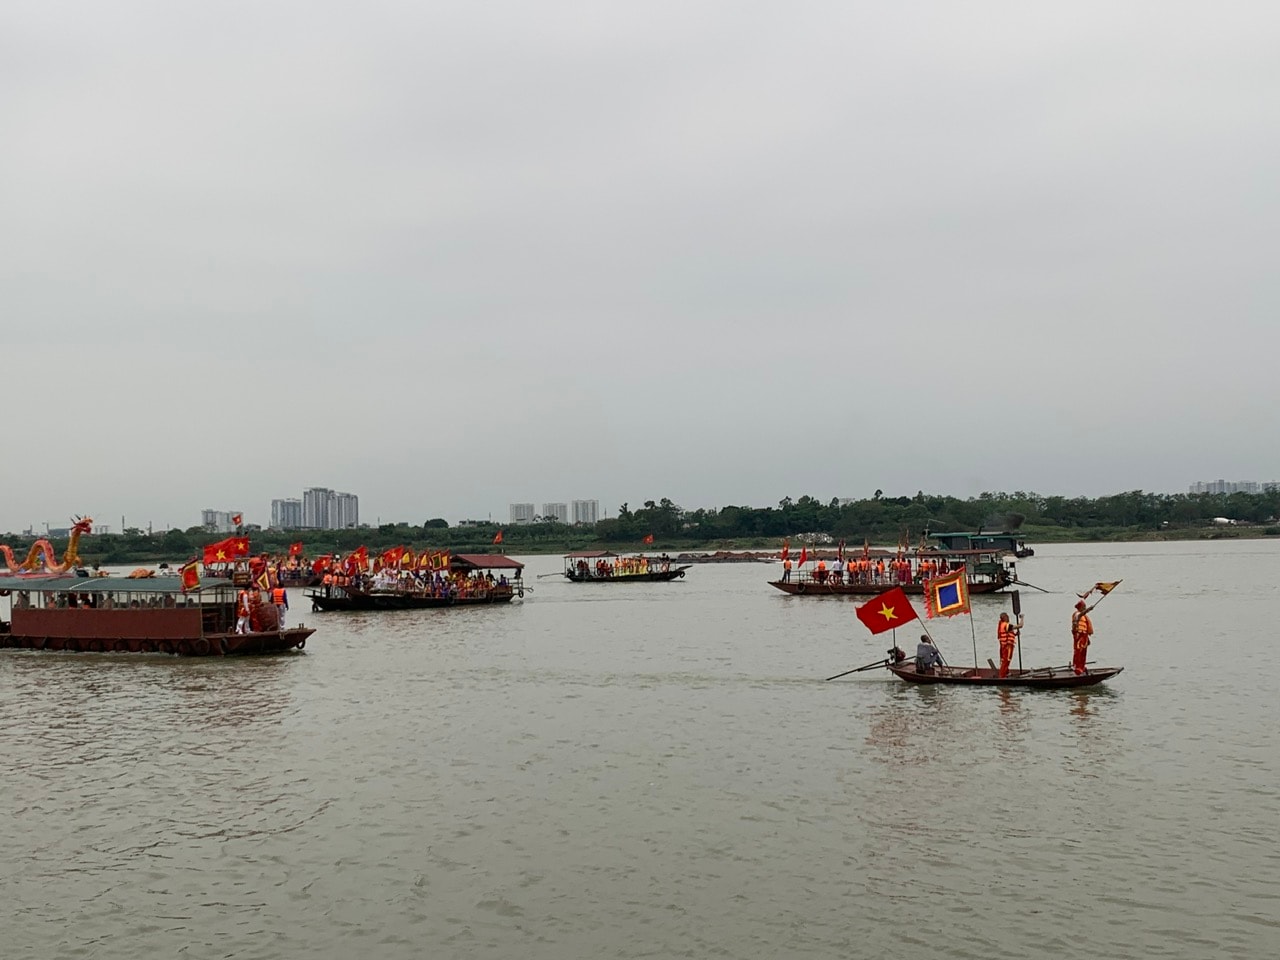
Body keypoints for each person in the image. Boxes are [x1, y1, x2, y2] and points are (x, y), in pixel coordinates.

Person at [1071, 600, 1094, 675]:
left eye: (1085, 607)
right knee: (1078, 651)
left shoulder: (1084, 617)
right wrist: (1088, 610)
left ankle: (1082, 667)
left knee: (1084, 652)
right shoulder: (1076, 614)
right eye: (1083, 607)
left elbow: (1086, 627)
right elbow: (1079, 615)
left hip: (1084, 635)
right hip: (1079, 634)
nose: (1084, 608)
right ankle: (1077, 667)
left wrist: (1088, 639)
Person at [997, 611, 1020, 678]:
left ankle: (1006, 673)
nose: (1008, 617)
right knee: (1006, 661)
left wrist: (1015, 634)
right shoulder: (1005, 625)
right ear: (1004, 618)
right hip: (1007, 646)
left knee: (1006, 660)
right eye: (1007, 616)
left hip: (1006, 646)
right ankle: (1002, 676)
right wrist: (1022, 618)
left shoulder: (1004, 625)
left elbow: (1007, 634)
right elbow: (1020, 625)